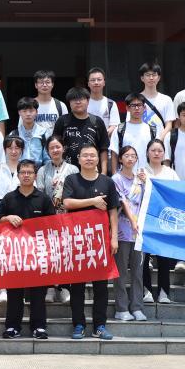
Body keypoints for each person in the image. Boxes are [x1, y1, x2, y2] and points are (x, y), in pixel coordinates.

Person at [61, 145, 119, 340]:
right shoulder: (72, 180)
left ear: (97, 159)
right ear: (78, 159)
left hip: (99, 241)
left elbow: (113, 211)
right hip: (77, 240)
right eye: (85, 155)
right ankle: (78, 324)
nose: (88, 158)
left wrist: (114, 237)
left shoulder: (107, 182)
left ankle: (99, 326)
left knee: (101, 286)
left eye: (92, 155)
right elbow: (67, 203)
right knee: (77, 286)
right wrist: (93, 201)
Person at [0, 159, 54, 338]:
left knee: (38, 292)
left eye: (30, 172)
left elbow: (52, 224)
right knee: (14, 291)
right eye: (23, 172)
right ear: (18, 175)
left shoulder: (43, 199)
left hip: (38, 253)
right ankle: (13, 326)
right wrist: (8, 218)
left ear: (35, 176)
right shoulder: (9, 198)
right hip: (15, 253)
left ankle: (39, 327)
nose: (26, 175)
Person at [37, 134, 79, 305]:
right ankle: (49, 287)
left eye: (57, 147)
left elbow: (77, 192)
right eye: (51, 148)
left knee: (65, 253)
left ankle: (64, 287)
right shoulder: (42, 170)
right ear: (47, 151)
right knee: (49, 254)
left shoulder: (73, 169)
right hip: (48, 218)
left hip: (67, 218)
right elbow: (40, 194)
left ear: (63, 148)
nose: (55, 150)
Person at [138, 139, 180, 304]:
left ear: (164, 154)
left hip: (164, 220)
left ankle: (164, 291)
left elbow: (177, 194)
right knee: (144, 257)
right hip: (145, 218)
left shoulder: (170, 173)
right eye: (153, 150)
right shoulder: (140, 171)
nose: (156, 153)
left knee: (164, 256)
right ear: (147, 153)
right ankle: (147, 290)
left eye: (160, 151)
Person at [112, 145, 147, 322]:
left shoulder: (140, 179)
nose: (130, 158)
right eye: (127, 155)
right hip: (122, 231)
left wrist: (146, 182)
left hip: (138, 233)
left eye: (133, 156)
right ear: (120, 159)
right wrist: (132, 221)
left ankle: (137, 307)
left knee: (137, 272)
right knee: (121, 273)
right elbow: (123, 201)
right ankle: (121, 308)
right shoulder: (116, 179)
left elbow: (146, 201)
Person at [52, 87, 110, 173]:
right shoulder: (62, 121)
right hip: (66, 171)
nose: (78, 102)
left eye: (81, 99)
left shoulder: (97, 122)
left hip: (92, 171)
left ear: (88, 101)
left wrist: (104, 172)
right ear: (69, 102)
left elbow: (103, 149)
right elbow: (55, 146)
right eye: (74, 99)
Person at [111, 93, 156, 173]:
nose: (137, 108)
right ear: (127, 108)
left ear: (144, 108)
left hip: (147, 174)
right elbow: (114, 153)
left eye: (139, 105)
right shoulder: (119, 129)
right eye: (133, 105)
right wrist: (114, 175)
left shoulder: (151, 129)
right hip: (124, 175)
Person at [137, 62, 176, 133]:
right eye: (148, 75)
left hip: (161, 138)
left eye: (154, 75)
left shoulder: (166, 99)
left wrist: (160, 138)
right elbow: (131, 122)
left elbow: (169, 125)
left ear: (159, 78)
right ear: (142, 78)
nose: (151, 78)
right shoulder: (135, 99)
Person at [11, 97, 50, 166]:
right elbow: (9, 158)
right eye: (24, 111)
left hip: (39, 171)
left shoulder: (44, 133)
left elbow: (48, 159)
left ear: (36, 112)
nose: (28, 114)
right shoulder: (13, 135)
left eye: (31, 111)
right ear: (19, 113)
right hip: (19, 171)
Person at [85, 67, 121, 135]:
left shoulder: (111, 104)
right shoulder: (83, 103)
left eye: (99, 79)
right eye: (93, 80)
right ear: (88, 84)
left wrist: (101, 136)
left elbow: (114, 126)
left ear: (104, 83)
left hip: (105, 140)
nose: (96, 82)